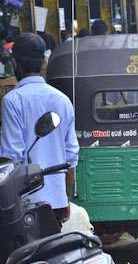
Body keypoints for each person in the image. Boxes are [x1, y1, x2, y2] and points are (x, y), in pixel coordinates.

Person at [0, 33, 80, 225]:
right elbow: (71, 157)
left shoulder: (13, 100)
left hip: (26, 205)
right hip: (57, 203)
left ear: (15, 63)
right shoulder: (63, 100)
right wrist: (66, 199)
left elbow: (12, 157)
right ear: (44, 62)